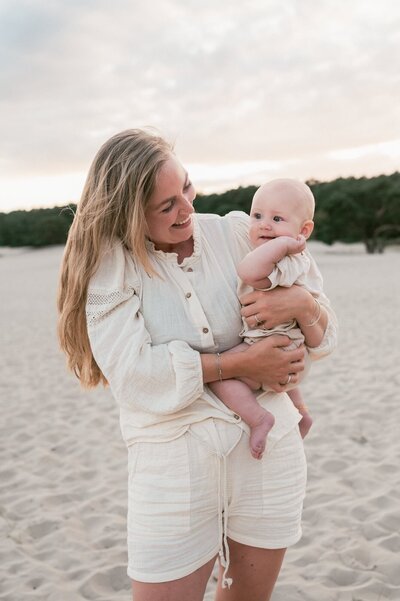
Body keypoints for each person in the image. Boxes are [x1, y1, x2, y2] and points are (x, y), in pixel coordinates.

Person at [57, 129, 337, 601]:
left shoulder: (235, 233)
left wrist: (304, 305)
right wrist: (240, 361)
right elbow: (135, 375)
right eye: (165, 206)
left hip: (269, 453)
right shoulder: (112, 267)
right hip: (172, 464)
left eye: (186, 188)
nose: (186, 209)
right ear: (129, 213)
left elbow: (326, 337)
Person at [209, 178, 322, 460]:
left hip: (273, 345)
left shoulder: (286, 257)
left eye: (277, 218)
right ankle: (301, 413)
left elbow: (248, 272)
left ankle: (259, 418)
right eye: (257, 216)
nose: (264, 225)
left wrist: (281, 246)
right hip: (290, 347)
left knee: (218, 377)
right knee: (285, 384)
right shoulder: (292, 257)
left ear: (303, 230)